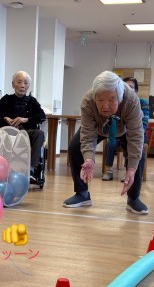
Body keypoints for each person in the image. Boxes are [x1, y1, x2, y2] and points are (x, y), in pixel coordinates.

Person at [63, 71, 145, 212]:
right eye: (100, 100)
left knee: (139, 154)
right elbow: (87, 133)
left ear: (120, 97)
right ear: (95, 97)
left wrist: (131, 169)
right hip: (99, 127)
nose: (105, 106)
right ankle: (82, 194)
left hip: (124, 128)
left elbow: (136, 136)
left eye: (112, 100)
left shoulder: (131, 101)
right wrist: (89, 159)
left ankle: (133, 198)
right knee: (75, 147)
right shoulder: (88, 101)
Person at [100, 75, 149, 214]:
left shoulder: (141, 102)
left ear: (136, 90)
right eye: (125, 86)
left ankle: (133, 193)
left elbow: (143, 122)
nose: (128, 89)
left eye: (131, 87)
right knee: (110, 143)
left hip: (135, 133)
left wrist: (132, 130)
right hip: (118, 132)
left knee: (137, 151)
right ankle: (109, 170)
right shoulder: (116, 100)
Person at [0, 71, 46, 182]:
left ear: (29, 86)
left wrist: (26, 119)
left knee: (39, 133)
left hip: (26, 133)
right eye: (19, 82)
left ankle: (30, 170)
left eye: (25, 83)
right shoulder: (6, 99)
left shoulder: (32, 101)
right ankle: (1, 169)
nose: (22, 85)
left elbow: (42, 116)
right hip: (8, 133)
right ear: (13, 84)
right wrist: (5, 118)